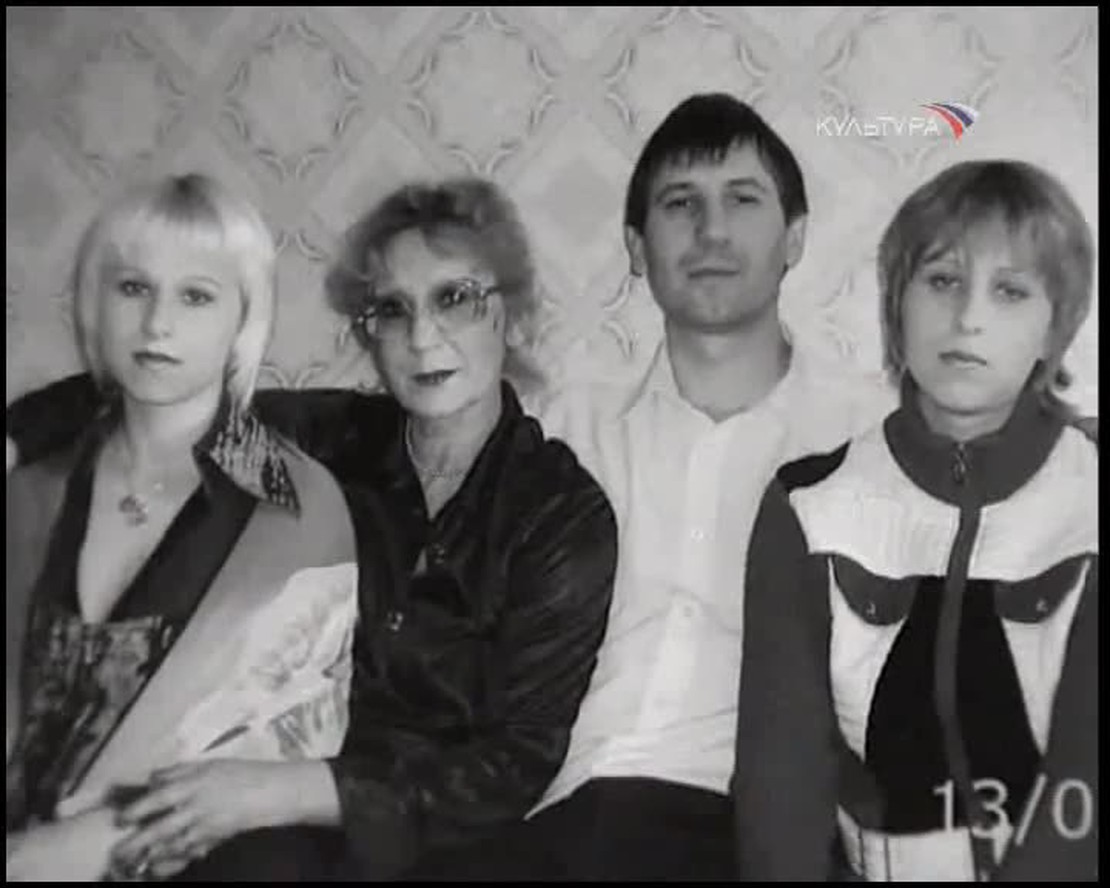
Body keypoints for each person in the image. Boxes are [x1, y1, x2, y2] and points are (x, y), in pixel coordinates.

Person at [6, 177, 618, 880]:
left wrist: (281, 792)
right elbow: (162, 387)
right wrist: (15, 439)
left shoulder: (559, 514)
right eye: (393, 310)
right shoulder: (326, 444)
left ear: (508, 314)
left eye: (454, 298)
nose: (423, 338)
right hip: (254, 810)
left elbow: (513, 764)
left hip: (434, 843)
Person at [421, 92, 892, 880]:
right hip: (549, 821)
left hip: (755, 835)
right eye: (681, 204)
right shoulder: (555, 430)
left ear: (796, 238)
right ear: (637, 248)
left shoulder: (872, 442)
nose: (711, 230)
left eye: (743, 199)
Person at [733, 160, 1098, 881]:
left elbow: (1085, 780)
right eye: (942, 280)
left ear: (1054, 329)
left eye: (1010, 291)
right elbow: (782, 787)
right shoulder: (809, 506)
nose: (968, 318)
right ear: (896, 304)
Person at [4, 173, 360, 881]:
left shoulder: (292, 502)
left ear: (243, 319)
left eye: (196, 296)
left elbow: (283, 740)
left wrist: (97, 845)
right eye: (133, 288)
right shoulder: (33, 480)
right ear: (96, 302)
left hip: (186, 856)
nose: (156, 324)